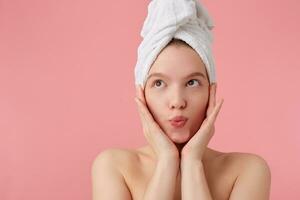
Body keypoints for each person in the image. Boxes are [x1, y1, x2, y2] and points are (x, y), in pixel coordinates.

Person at [91, 1, 271, 199]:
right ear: (142, 94)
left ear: (211, 92)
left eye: (192, 82)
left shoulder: (247, 171)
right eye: (159, 83)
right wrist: (167, 161)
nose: (177, 102)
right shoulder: (113, 167)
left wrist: (192, 162)